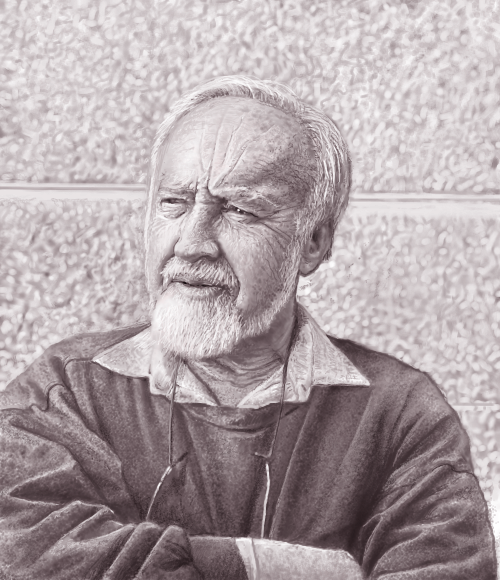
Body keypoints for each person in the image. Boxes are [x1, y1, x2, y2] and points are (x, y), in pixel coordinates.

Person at [0, 76, 496, 580]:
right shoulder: (66, 390)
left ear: (313, 243)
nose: (192, 243)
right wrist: (277, 567)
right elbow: (26, 558)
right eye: (174, 202)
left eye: (239, 210)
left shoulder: (400, 414)